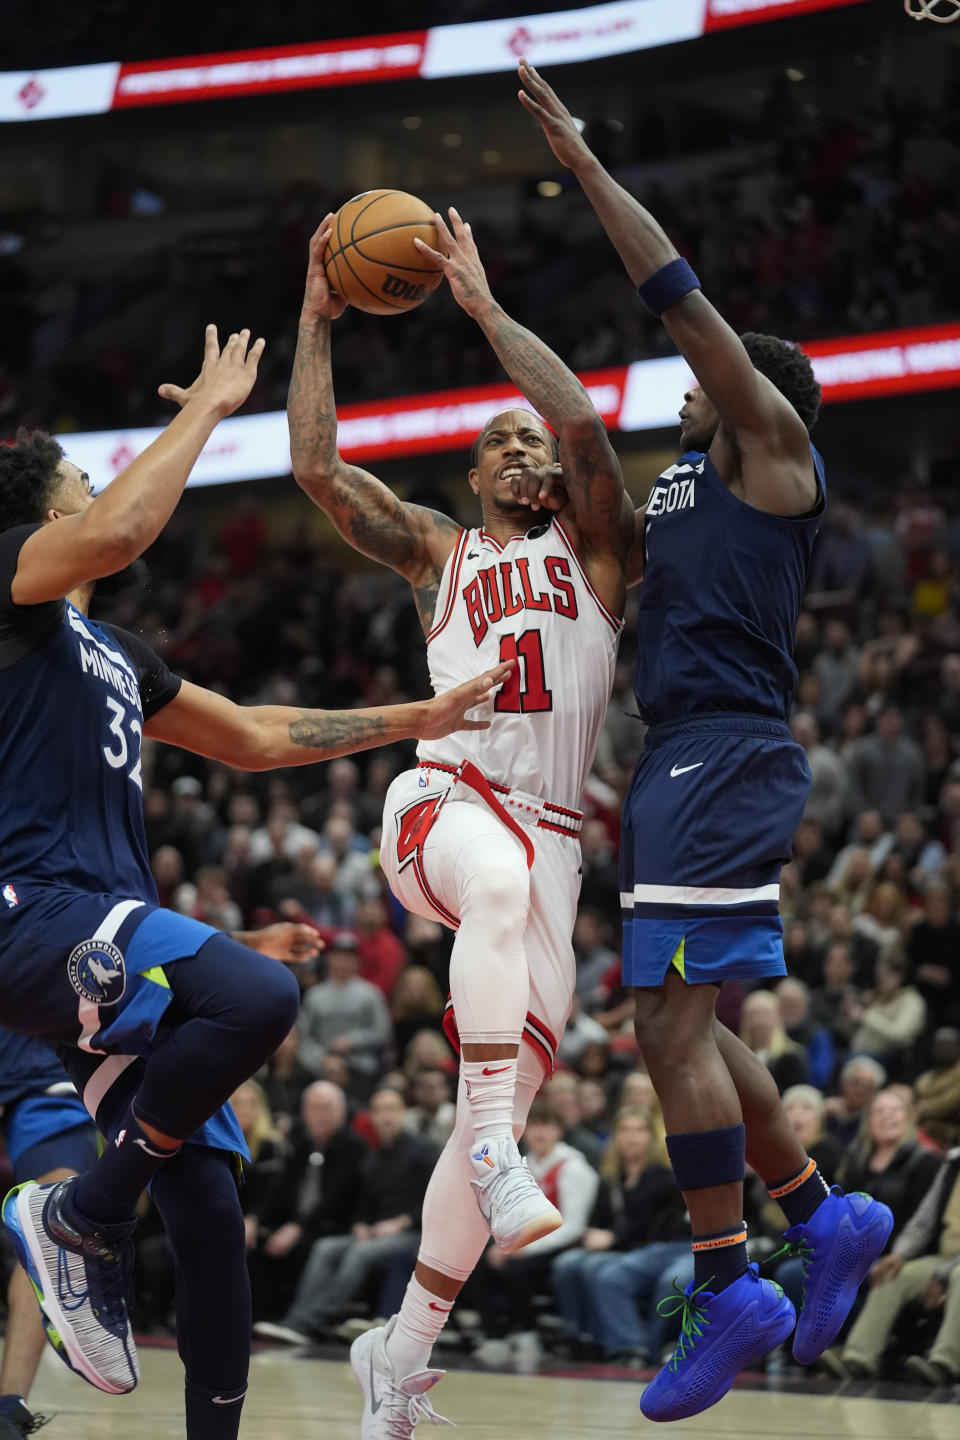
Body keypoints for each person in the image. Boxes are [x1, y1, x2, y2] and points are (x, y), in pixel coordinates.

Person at [0, 329, 512, 1440]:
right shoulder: (14, 587)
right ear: (46, 517)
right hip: (30, 911)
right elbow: (126, 524)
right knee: (259, 999)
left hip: (97, 927)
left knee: (208, 1202)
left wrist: (415, 721)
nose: (99, 496)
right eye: (80, 484)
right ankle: (81, 1216)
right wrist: (211, 411)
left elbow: (255, 737)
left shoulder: (116, 651)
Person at [517, 58, 893, 1420]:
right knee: (678, 1022)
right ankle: (822, 1215)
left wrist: (585, 166)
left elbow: (678, 298)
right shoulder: (681, 482)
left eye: (697, 385)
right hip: (680, 757)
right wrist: (489, 312)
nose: (678, 389)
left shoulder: (770, 443)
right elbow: (583, 445)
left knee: (672, 1028)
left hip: (727, 751)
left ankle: (733, 1279)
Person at [287, 201, 632, 1435]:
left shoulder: (600, 554)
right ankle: (494, 1147)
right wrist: (317, 319)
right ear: (473, 472)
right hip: (444, 800)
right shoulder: (439, 553)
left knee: (508, 1098)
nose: (529, 449)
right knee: (498, 1108)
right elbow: (318, 473)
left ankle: (401, 1355)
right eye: (503, 440)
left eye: (537, 443)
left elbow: (584, 420)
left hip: (552, 846)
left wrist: (486, 311)